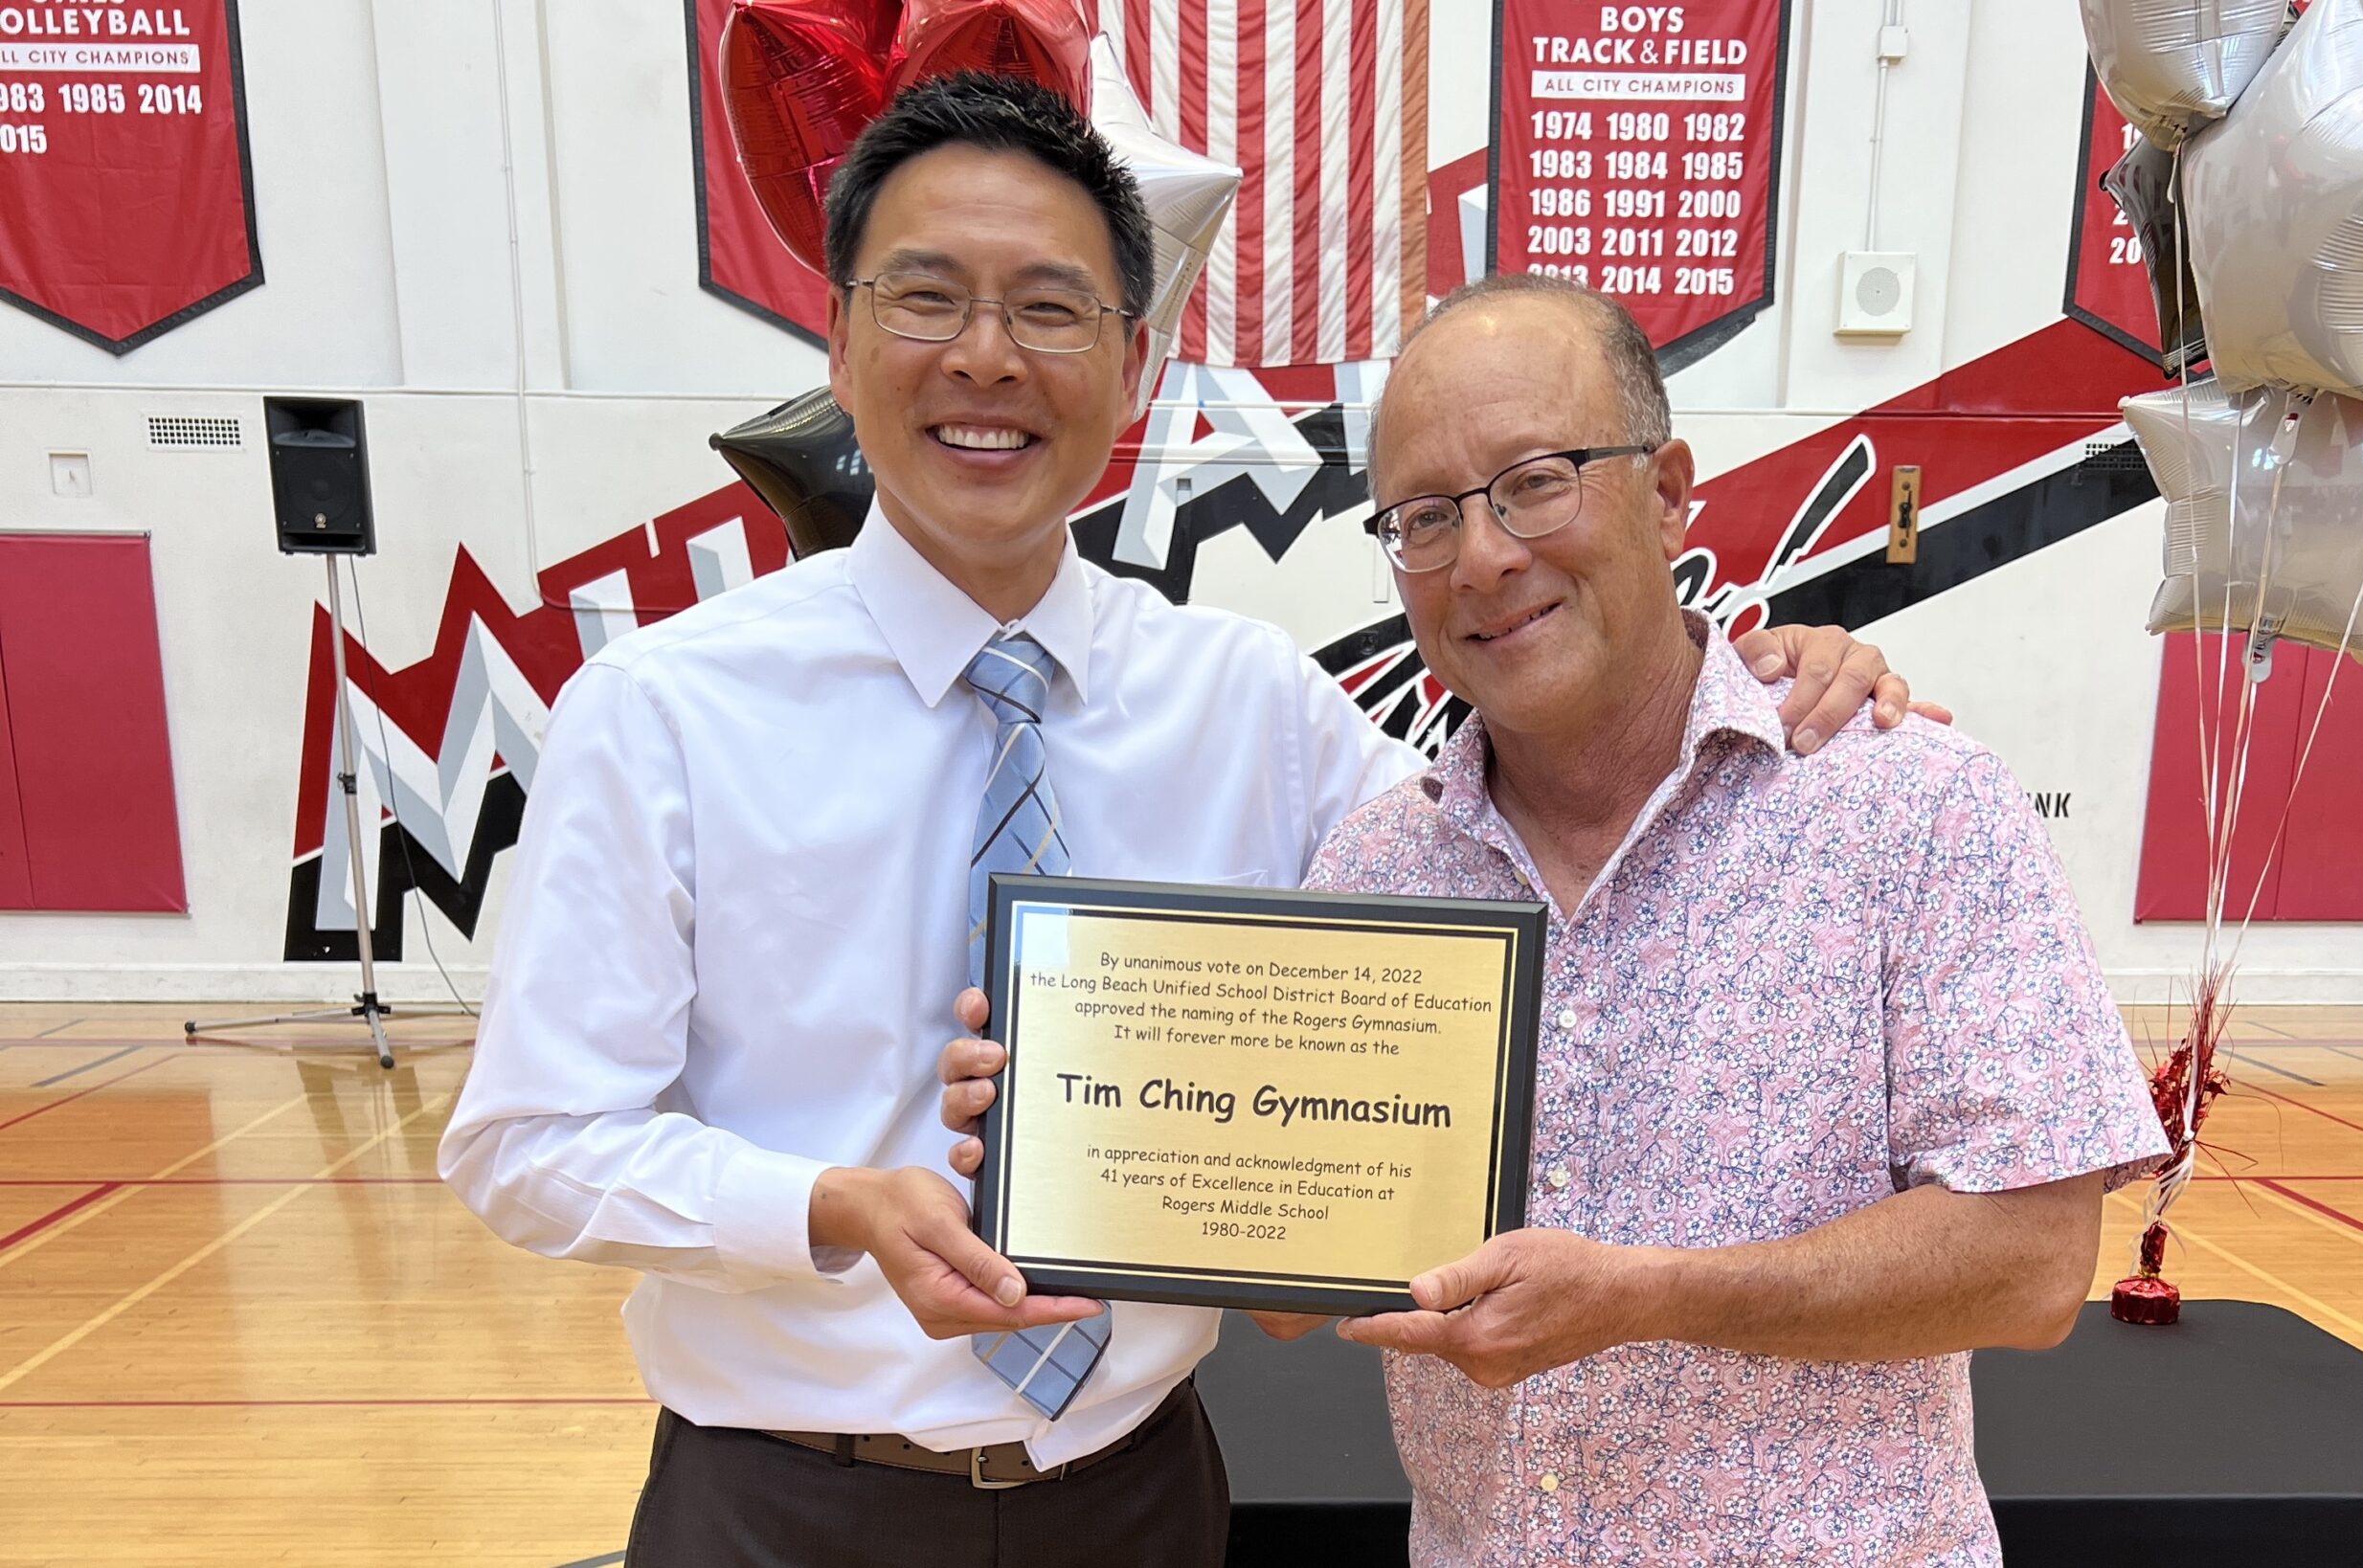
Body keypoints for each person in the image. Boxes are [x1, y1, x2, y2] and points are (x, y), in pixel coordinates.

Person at [441, 76, 1933, 1568]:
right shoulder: (662, 709)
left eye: (1048, 307)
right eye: (926, 298)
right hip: (784, 1502)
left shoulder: (1252, 705)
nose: (985, 356)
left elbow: (1520, 833)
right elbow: (531, 1140)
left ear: (1136, 363)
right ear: (838, 341)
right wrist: (827, 1205)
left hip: (1138, 1496)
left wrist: (1742, 672)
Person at [1303, 274, 2166, 1564]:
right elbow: (1285, 1263)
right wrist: (1084, 1116)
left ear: (1666, 492)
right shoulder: (1379, 874)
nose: (1481, 555)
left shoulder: (1912, 803)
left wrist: (1650, 1296)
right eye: (1424, 518)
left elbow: (2034, 1263)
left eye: (1538, 479)